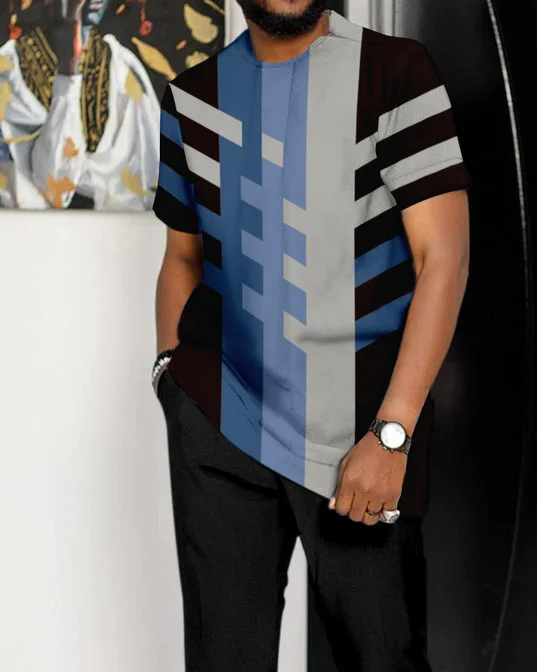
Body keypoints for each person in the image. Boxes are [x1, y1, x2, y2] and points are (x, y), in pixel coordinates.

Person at [151, 2, 471, 670]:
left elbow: (442, 259)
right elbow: (182, 256)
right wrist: (170, 380)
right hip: (222, 416)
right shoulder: (192, 95)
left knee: (382, 656)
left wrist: (392, 434)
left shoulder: (394, 72)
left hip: (358, 432)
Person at [0, 0, 159, 209]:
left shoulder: (122, 68)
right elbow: (55, 189)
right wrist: (68, 73)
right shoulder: (8, 69)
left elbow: (151, 180)